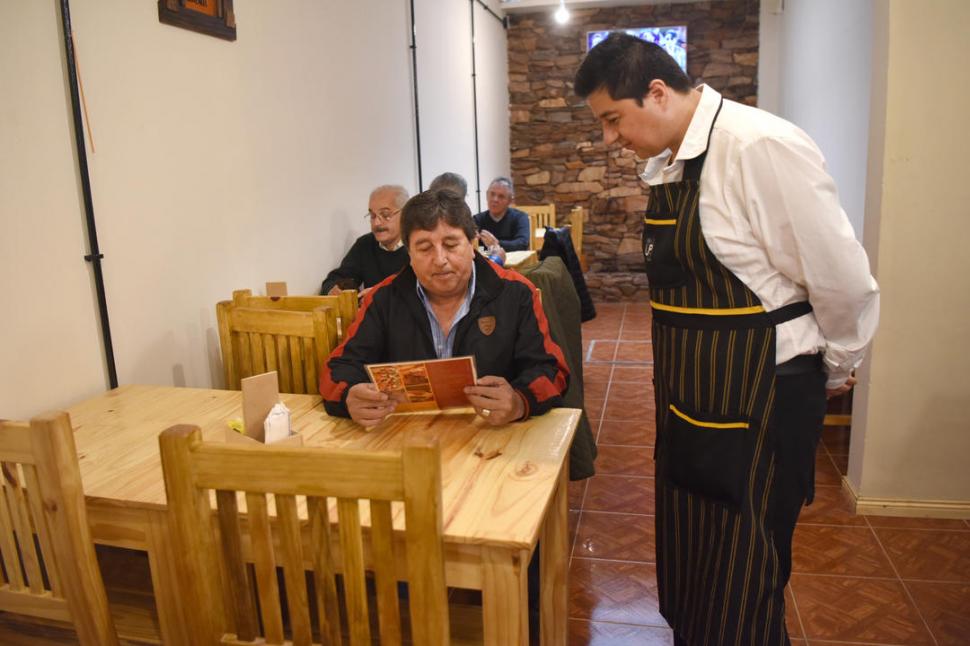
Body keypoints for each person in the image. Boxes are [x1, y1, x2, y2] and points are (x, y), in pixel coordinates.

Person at [574, 33, 879, 646]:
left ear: (656, 93)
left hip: (760, 398)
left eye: (613, 119)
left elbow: (840, 276)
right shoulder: (673, 162)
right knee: (698, 562)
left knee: (748, 570)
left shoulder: (758, 146)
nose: (609, 139)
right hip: (695, 404)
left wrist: (840, 362)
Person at [320, 189, 571, 430]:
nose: (440, 260)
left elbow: (550, 370)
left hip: (493, 437)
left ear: (472, 245)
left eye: (451, 244)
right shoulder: (382, 299)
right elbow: (339, 367)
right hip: (408, 438)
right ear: (409, 253)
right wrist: (349, 395)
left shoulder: (516, 293)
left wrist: (519, 401)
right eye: (425, 248)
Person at [318, 185, 410, 298]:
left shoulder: (417, 245)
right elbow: (337, 278)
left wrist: (380, 295)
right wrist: (333, 289)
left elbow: (424, 292)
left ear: (406, 214)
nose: (376, 223)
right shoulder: (365, 244)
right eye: (372, 215)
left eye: (385, 215)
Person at [473, 177, 530, 252]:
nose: (495, 199)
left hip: (513, 261)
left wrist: (496, 244)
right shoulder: (477, 219)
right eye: (492, 194)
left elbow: (522, 244)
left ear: (510, 201)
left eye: (501, 196)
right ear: (487, 195)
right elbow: (474, 247)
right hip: (486, 261)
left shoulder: (520, 217)